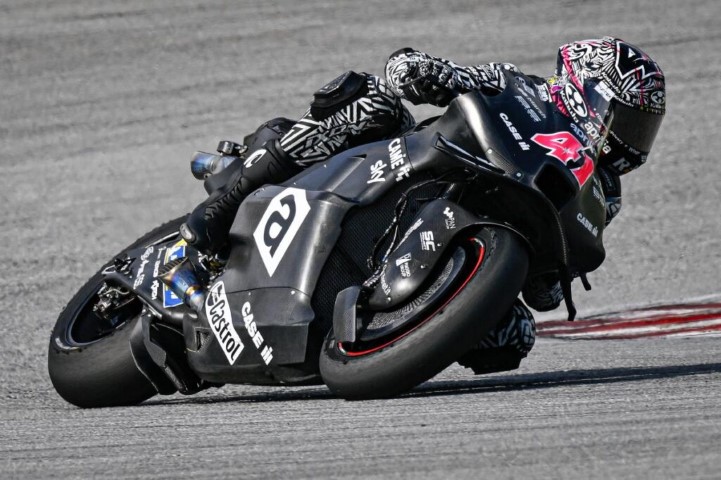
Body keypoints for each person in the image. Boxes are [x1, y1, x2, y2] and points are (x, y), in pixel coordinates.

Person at [179, 36, 666, 373]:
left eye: (643, 127)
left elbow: (545, 294)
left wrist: (528, 283)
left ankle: (386, 331)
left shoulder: (604, 191)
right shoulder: (520, 85)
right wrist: (428, 73)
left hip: (471, 228)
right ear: (589, 92)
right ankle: (232, 199)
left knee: (510, 340)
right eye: (627, 118)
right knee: (370, 101)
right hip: (406, 163)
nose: (633, 140)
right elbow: (405, 70)